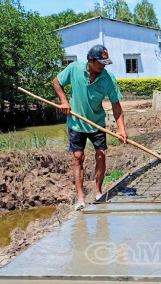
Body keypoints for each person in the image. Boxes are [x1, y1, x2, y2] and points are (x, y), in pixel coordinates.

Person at [53, 45, 127, 210]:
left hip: (97, 123)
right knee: (78, 157)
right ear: (90, 60)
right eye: (100, 63)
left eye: (105, 63)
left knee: (100, 155)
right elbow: (56, 81)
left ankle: (98, 192)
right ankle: (80, 198)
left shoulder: (108, 78)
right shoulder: (74, 69)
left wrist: (121, 129)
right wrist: (64, 101)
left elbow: (116, 105)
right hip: (76, 123)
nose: (103, 66)